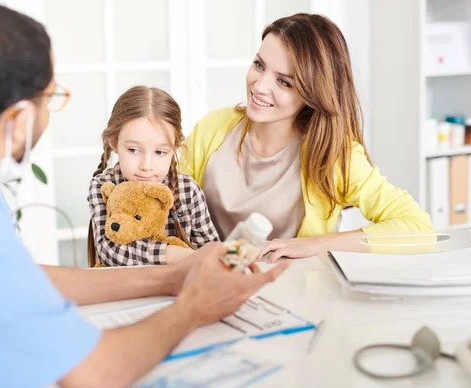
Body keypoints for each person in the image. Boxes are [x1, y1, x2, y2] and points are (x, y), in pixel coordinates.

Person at [0, 3, 289, 388]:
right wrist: (194, 307)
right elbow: (94, 375)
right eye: (50, 97)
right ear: (21, 118)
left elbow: (17, 278)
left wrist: (170, 277)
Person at [180, 13, 433, 263]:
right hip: (206, 284)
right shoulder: (213, 129)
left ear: (313, 93)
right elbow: (166, 211)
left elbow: (418, 229)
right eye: (259, 65)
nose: (259, 86)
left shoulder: (333, 155)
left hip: (296, 294)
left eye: (284, 82)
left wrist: (316, 244)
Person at [87, 86, 219, 267]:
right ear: (114, 143)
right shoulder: (104, 185)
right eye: (133, 150)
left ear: (174, 148)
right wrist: (172, 253)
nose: (146, 166)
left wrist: (243, 253)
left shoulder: (188, 190)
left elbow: (211, 250)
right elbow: (108, 250)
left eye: (160, 152)